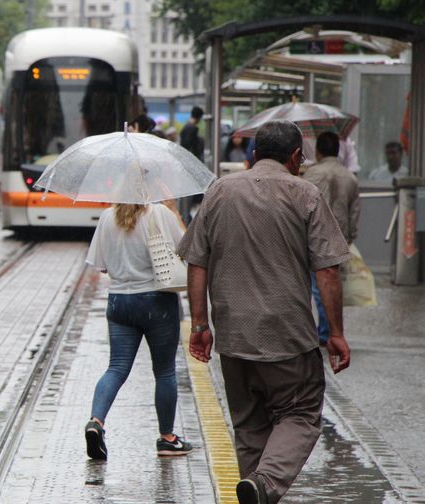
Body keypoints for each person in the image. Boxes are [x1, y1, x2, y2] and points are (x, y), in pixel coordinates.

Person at [178, 121, 352, 504]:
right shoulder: (305, 194)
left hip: (233, 337)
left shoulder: (219, 190)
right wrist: (336, 333)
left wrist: (200, 325)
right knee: (301, 413)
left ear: (254, 155)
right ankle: (265, 483)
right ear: (295, 157)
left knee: (249, 427)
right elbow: (327, 271)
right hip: (288, 337)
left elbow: (196, 261)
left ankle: (255, 488)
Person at [84, 203, 192, 461]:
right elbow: (187, 249)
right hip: (157, 300)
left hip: (119, 301)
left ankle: (96, 422)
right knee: (164, 371)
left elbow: (101, 265)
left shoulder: (107, 216)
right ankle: (167, 439)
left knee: (116, 368)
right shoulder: (160, 213)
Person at [302, 131, 360, 346]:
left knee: (317, 286)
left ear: (318, 151)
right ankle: (331, 328)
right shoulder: (350, 177)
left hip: (314, 236)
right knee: (332, 282)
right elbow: (355, 212)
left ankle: (326, 331)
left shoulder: (311, 175)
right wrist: (350, 237)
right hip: (340, 237)